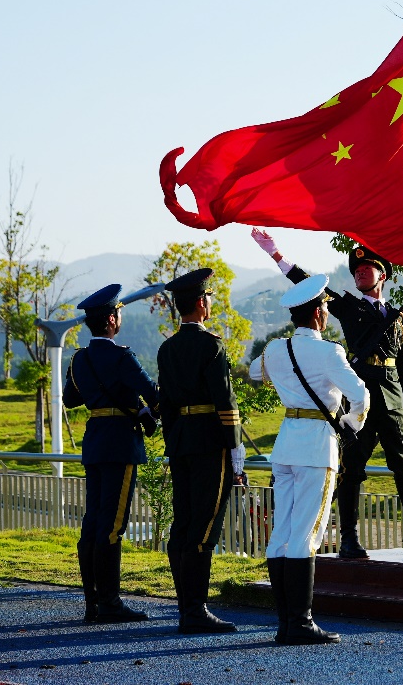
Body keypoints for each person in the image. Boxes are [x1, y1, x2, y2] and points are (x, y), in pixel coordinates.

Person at [251, 228, 403, 558]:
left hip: (393, 398)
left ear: (383, 275)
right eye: (356, 270)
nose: (359, 273)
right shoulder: (349, 308)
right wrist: (276, 254)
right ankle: (349, 536)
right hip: (357, 397)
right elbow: (307, 285)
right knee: (352, 469)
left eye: (366, 268)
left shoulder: (399, 317)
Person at [249, 274, 369, 644]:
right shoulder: (329, 352)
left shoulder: (275, 349)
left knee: (282, 533)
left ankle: (285, 623)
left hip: (285, 444)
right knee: (306, 533)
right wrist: (351, 423)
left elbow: (255, 372)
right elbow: (361, 394)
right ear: (318, 313)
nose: (327, 313)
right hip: (316, 447)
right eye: (326, 308)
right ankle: (301, 623)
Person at [63, 283, 159, 624]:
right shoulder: (122, 357)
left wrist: (98, 393)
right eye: (118, 314)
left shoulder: (80, 358)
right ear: (112, 320)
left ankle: (93, 602)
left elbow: (70, 400)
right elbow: (154, 395)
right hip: (120, 443)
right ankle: (110, 604)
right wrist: (145, 411)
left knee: (92, 522)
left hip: (95, 441)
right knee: (113, 526)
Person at [157, 268, 245, 634]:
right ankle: (195, 611)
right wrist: (235, 445)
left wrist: (173, 441)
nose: (210, 303)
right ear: (200, 303)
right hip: (210, 441)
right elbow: (224, 399)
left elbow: (166, 404)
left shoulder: (167, 348)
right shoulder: (212, 345)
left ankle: (186, 607)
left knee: (183, 522)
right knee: (205, 526)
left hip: (180, 442)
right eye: (208, 297)